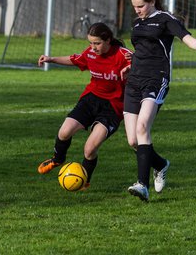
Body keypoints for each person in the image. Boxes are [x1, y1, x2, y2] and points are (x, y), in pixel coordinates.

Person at [121, 0, 196, 201]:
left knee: (142, 128)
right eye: (134, 6)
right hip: (134, 82)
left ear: (151, 1)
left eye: (140, 6)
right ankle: (160, 164)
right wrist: (130, 64)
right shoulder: (138, 24)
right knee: (132, 140)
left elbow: (184, 35)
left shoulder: (165, 19)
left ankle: (142, 185)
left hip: (156, 80)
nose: (137, 10)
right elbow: (143, 50)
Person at [37, 22, 133, 189]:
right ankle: (58, 159)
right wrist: (51, 59)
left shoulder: (124, 55)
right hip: (91, 99)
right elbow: (75, 60)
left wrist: (134, 67)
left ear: (108, 40)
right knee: (64, 131)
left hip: (113, 107)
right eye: (90, 43)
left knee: (89, 149)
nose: (93, 47)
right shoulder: (90, 53)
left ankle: (83, 180)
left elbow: (144, 66)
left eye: (97, 43)